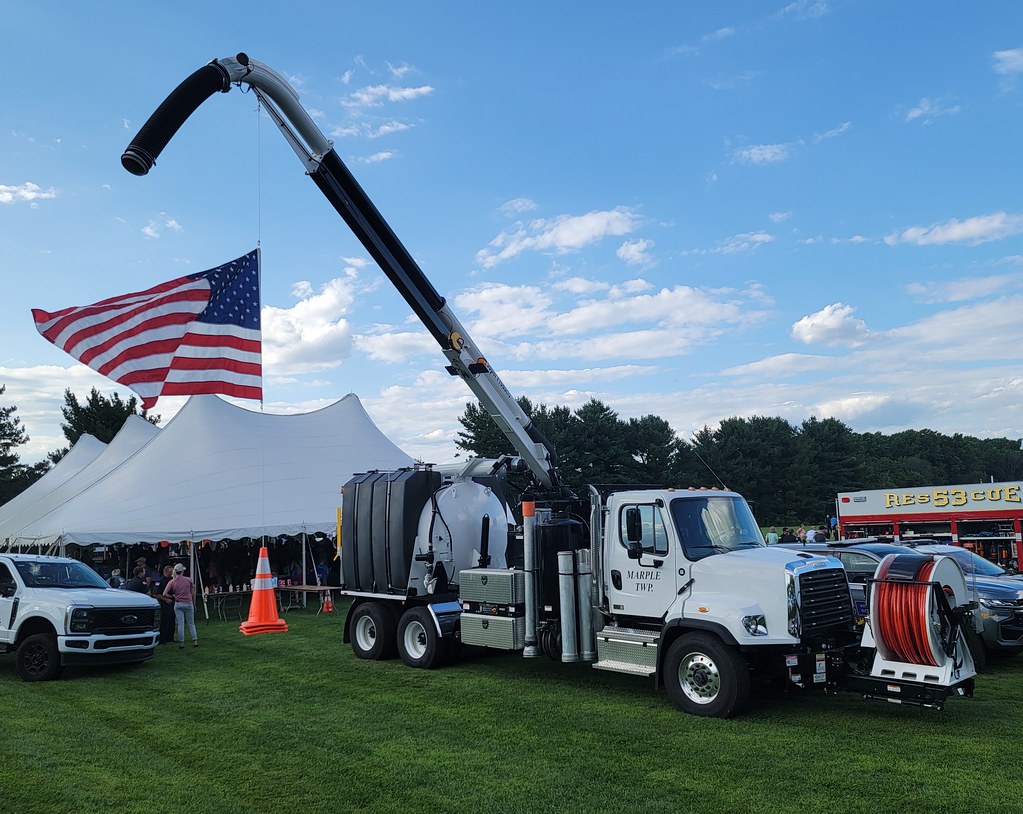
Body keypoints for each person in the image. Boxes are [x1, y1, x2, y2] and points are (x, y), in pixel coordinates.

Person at [163, 563, 198, 649]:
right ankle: (195, 641)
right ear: (182, 571)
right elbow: (193, 593)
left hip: (178, 604)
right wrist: (194, 603)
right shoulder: (189, 580)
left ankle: (181, 643)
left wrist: (173, 596)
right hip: (188, 603)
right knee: (191, 623)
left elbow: (164, 593)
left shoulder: (172, 581)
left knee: (180, 624)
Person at [153, 564, 176, 644]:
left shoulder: (172, 580)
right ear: (166, 572)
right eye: (171, 571)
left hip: (172, 603)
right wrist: (165, 599)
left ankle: (170, 638)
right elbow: (156, 594)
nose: (173, 573)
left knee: (171, 621)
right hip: (164, 604)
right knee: (164, 621)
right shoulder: (160, 581)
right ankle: (162, 639)